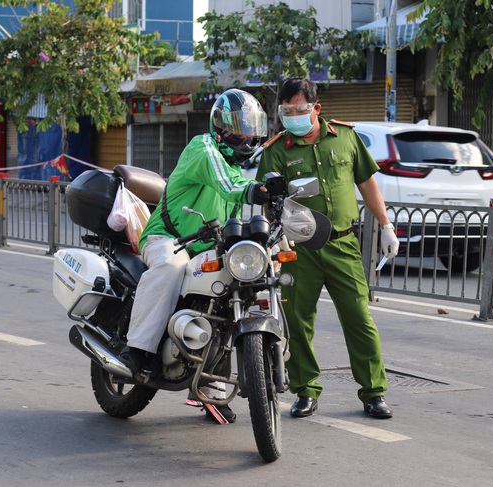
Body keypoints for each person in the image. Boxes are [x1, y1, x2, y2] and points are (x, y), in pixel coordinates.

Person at [119, 89, 271, 423]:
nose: (247, 134)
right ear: (221, 125)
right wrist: (253, 190)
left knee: (236, 286)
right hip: (169, 238)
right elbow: (229, 185)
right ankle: (138, 349)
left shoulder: (240, 166)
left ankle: (211, 388)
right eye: (240, 126)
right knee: (171, 267)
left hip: (205, 247)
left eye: (251, 127)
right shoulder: (204, 148)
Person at [255, 77, 399, 419]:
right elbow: (268, 199)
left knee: (359, 318)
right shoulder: (277, 149)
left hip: (343, 244)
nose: (293, 116)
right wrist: (278, 229)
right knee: (298, 321)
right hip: (299, 249)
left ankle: (373, 392)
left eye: (300, 109)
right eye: (286, 110)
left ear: (316, 108)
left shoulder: (346, 137)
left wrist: (386, 226)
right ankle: (305, 390)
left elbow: (367, 183)